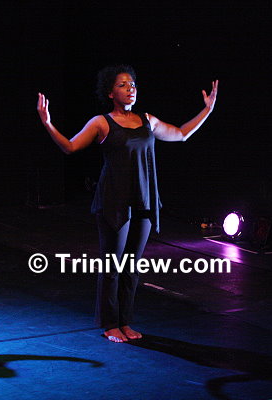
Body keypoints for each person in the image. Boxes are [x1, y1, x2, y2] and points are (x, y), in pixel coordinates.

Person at [37, 65, 218, 343]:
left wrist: (207, 110)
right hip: (114, 202)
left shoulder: (147, 120)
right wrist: (47, 122)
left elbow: (181, 133)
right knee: (112, 265)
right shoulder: (101, 123)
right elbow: (70, 147)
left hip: (143, 201)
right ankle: (110, 324)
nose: (130, 88)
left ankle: (125, 321)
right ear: (110, 93)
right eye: (122, 85)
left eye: (132, 84)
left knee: (132, 266)